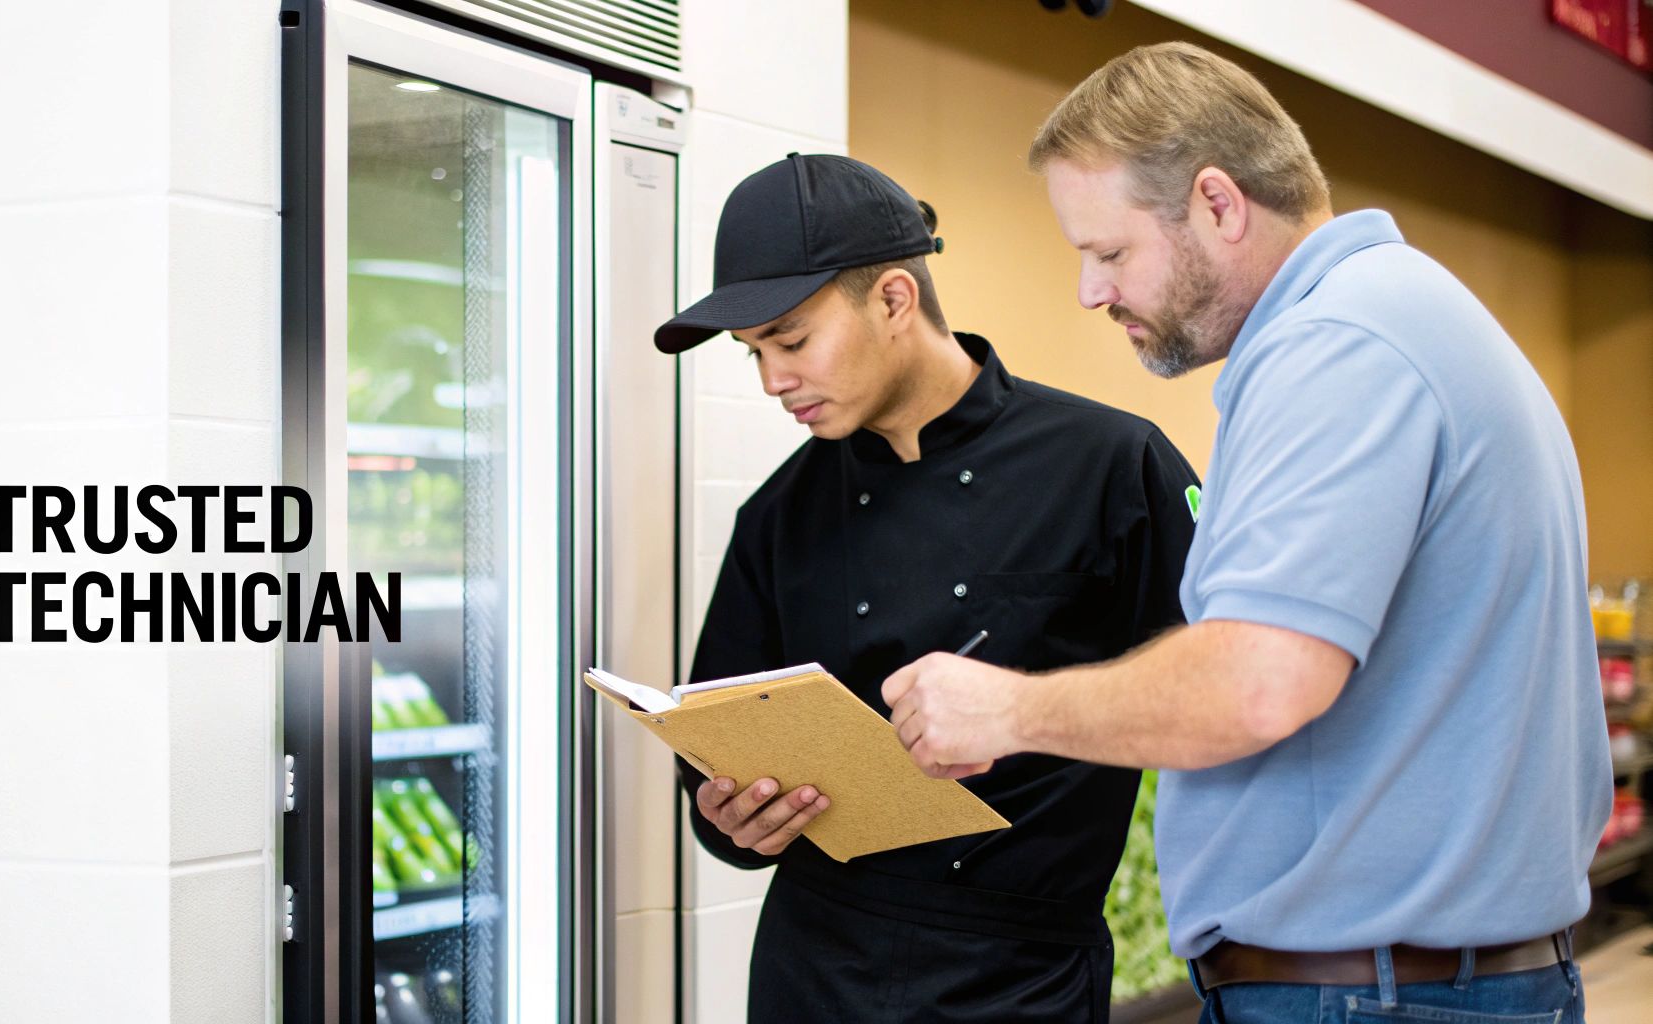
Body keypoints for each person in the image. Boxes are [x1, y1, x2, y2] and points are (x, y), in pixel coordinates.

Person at [882, 42, 1611, 1024]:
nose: (1089, 293)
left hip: (1377, 997)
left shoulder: (1338, 345)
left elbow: (1259, 678)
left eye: (1108, 252)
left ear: (1217, 205)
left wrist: (1004, 711)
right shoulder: (1409, 317)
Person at [652, 152, 1200, 1023]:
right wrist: (732, 819)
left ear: (896, 299)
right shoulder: (776, 516)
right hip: (813, 972)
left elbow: (1219, 686)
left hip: (1021, 980)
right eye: (753, 353)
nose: (771, 380)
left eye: (791, 341)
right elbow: (715, 765)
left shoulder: (1111, 467)